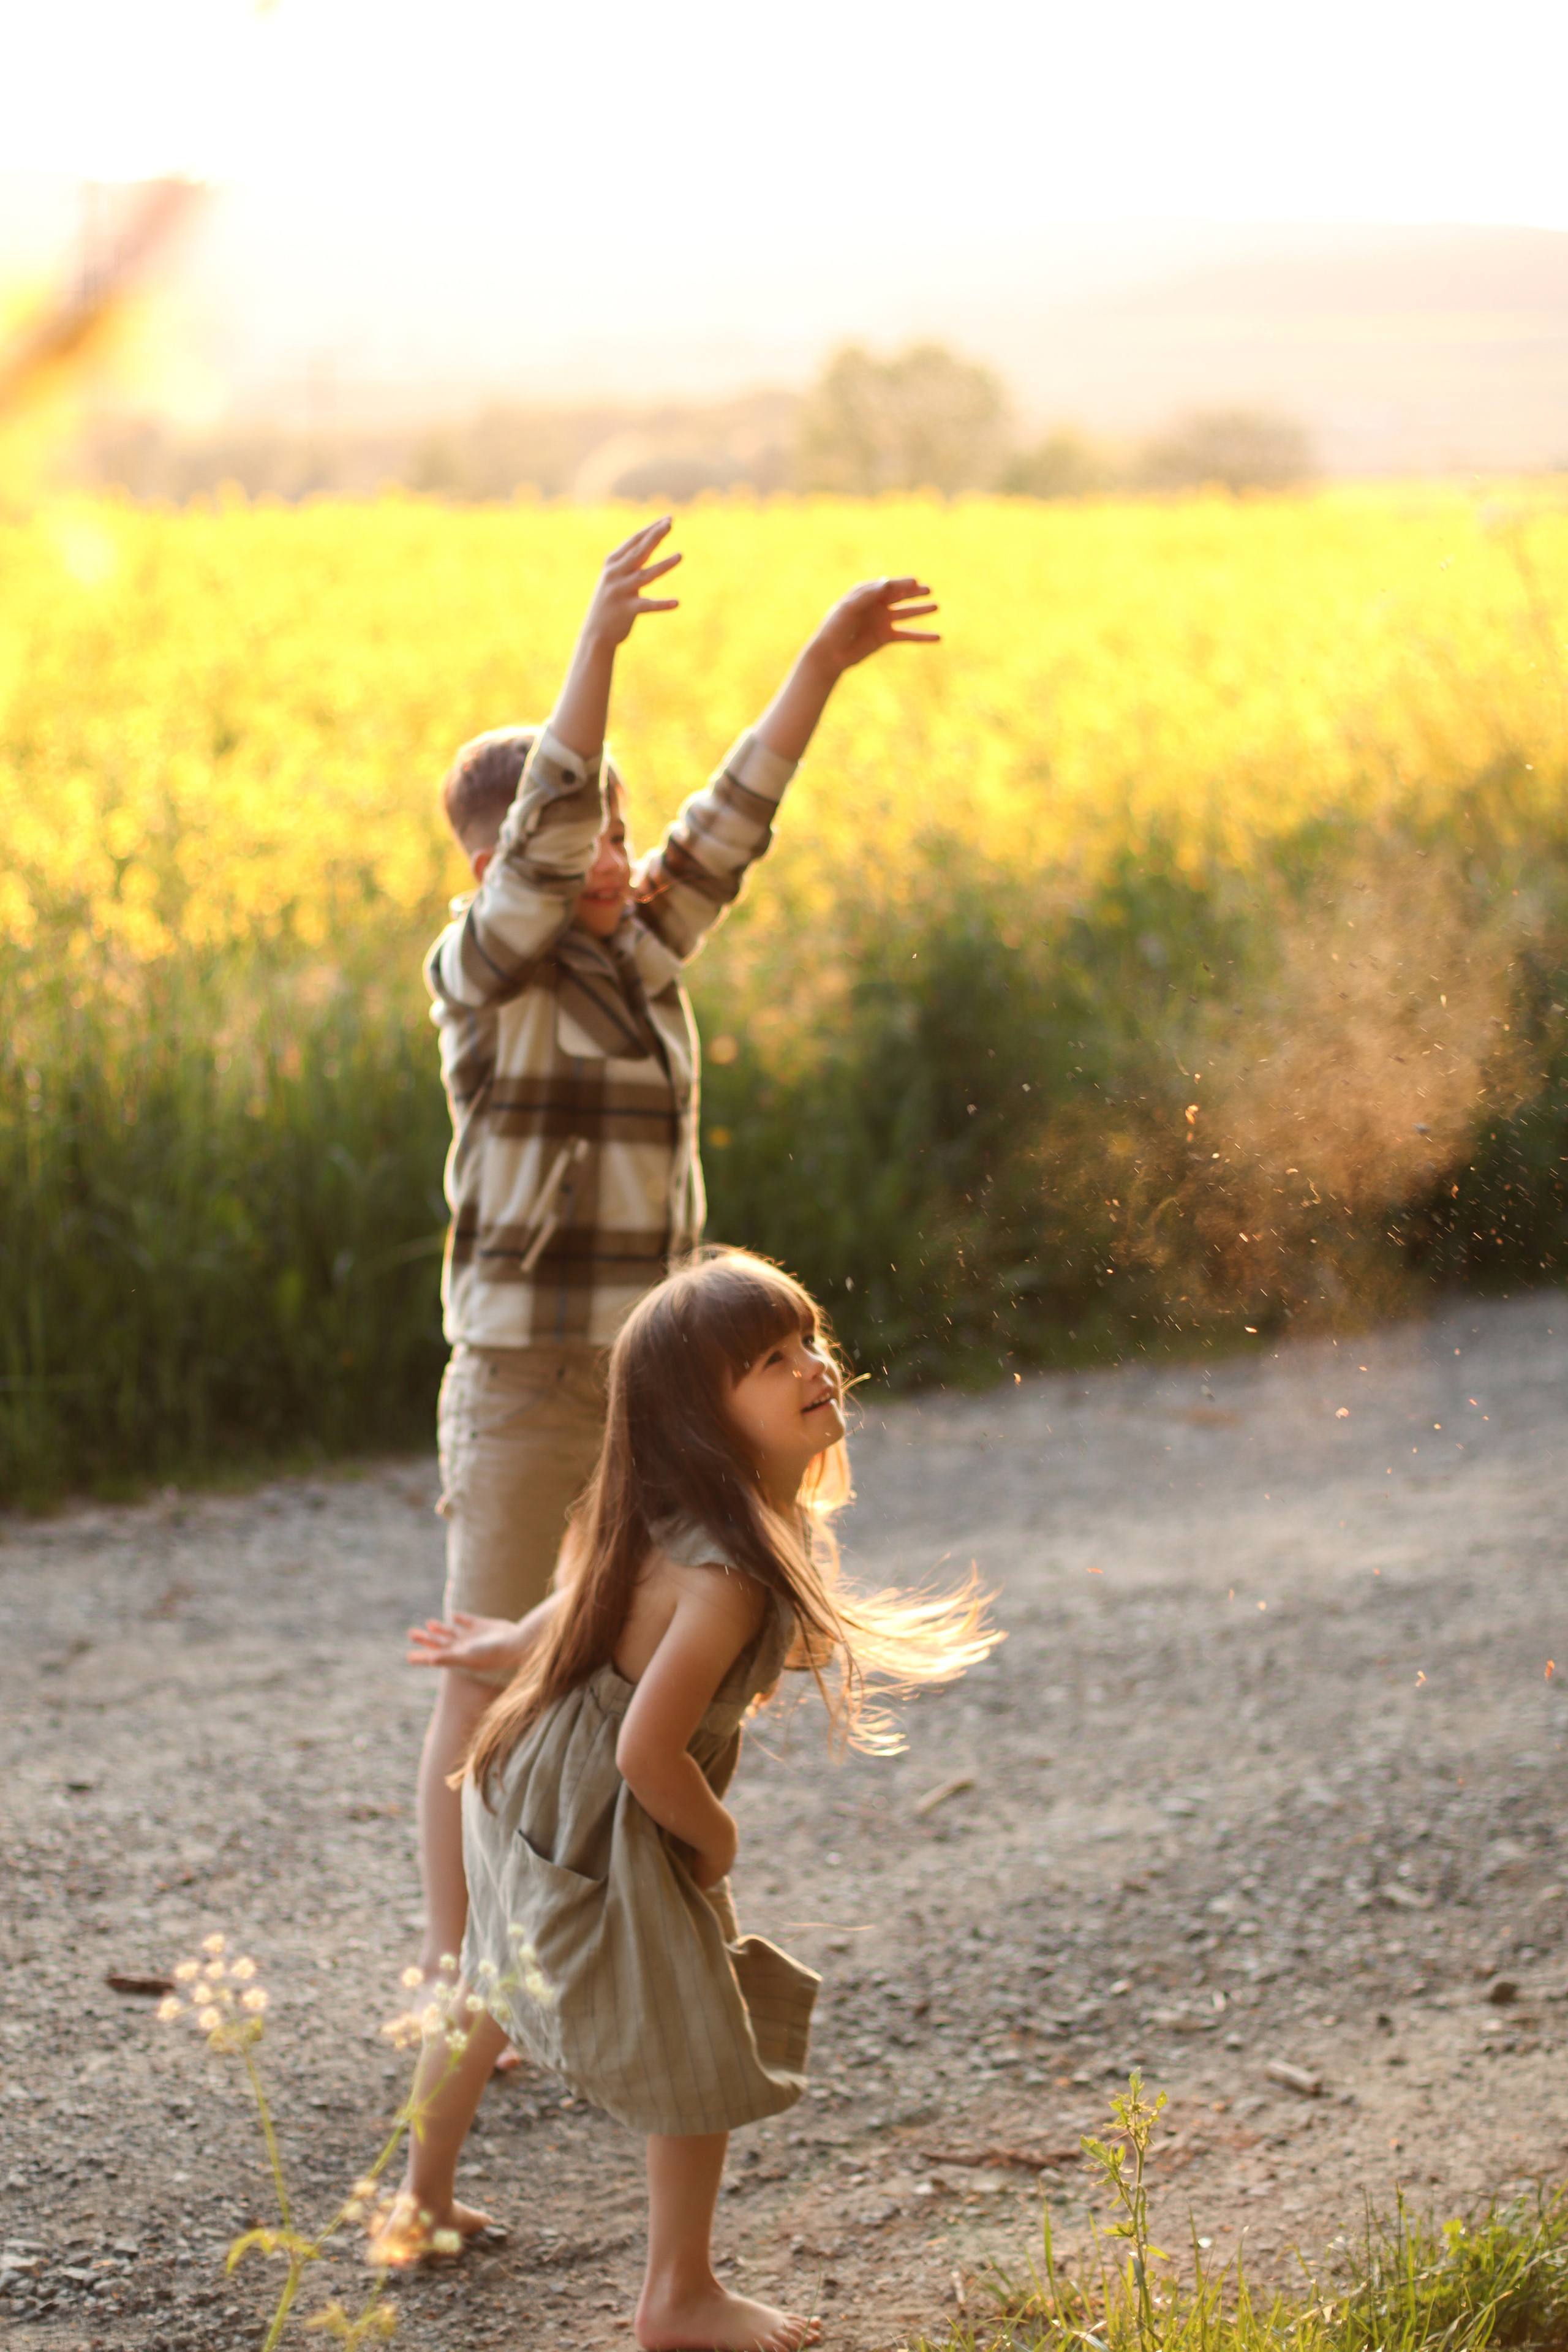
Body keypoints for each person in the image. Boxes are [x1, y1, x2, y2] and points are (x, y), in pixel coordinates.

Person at [415, 515, 939, 1987]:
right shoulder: (478, 975)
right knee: (490, 1666)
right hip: (524, 1378)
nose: (620, 860)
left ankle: (602, 1937)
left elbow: (733, 815)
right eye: (591, 843)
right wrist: (595, 646)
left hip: (651, 1376)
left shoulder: (643, 961)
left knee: (631, 1661)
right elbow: (546, 837)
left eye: (623, 837)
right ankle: (464, 1987)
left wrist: (817, 666)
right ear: (490, 863)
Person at [389, 1248, 997, 2351]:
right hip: (598, 1800)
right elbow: (646, 1750)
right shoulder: (727, 1575)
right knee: (700, 2025)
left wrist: (516, 1639)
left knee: (488, 1975)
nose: (814, 1366)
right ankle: (677, 2298)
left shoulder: (690, 1511)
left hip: (527, 1771)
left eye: (807, 1339)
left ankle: (418, 2202)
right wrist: (715, 1841)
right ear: (702, 1418)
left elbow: (591, 1588)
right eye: (769, 1360)